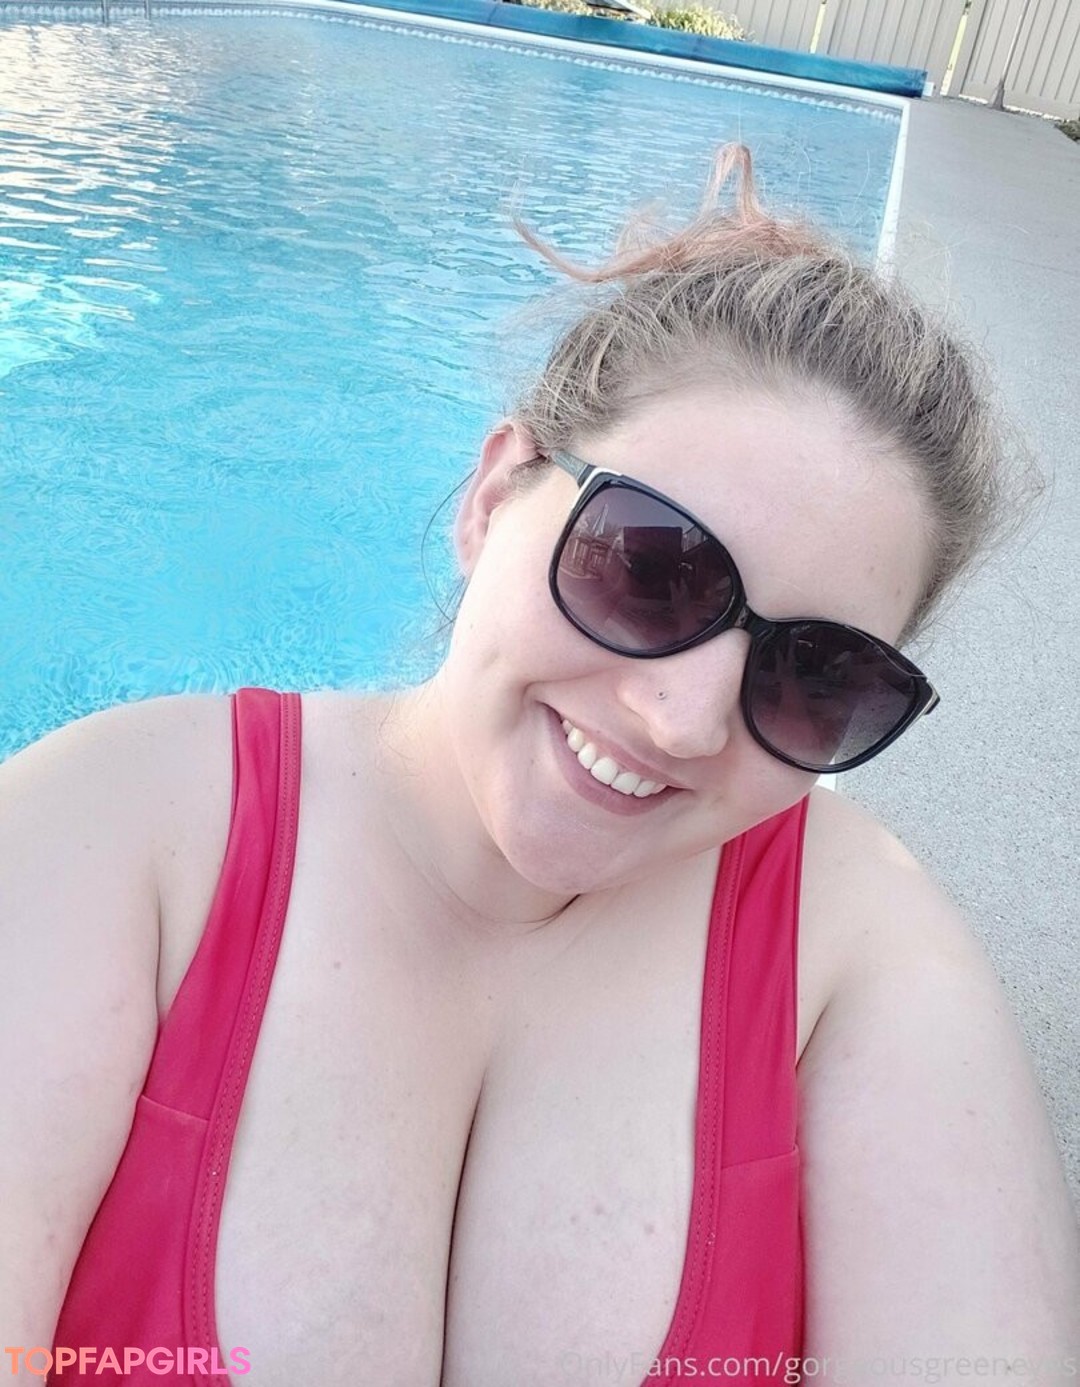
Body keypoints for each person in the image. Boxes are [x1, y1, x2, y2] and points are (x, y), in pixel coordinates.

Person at [4, 144, 1078, 1387]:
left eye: (818, 671)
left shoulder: (862, 959)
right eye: (650, 566)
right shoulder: (109, 834)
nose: (685, 720)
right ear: (492, 494)